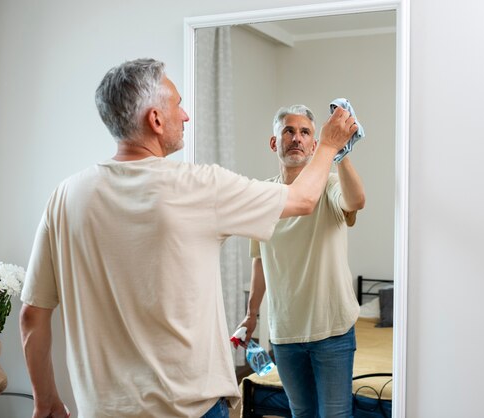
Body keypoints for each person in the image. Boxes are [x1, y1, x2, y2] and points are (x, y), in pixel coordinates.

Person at [19, 59, 357, 418]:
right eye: (177, 105)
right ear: (155, 119)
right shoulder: (198, 186)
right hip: (188, 409)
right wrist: (330, 144)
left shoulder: (65, 196)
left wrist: (46, 400)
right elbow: (303, 199)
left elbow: (32, 317)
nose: (185, 116)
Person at [237, 104, 366, 418]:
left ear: (314, 145)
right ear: (274, 143)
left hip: (332, 330)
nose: (296, 138)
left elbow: (356, 201)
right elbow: (259, 260)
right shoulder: (262, 195)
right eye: (288, 131)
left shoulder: (330, 184)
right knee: (301, 413)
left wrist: (340, 153)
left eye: (305, 132)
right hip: (285, 333)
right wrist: (251, 314)